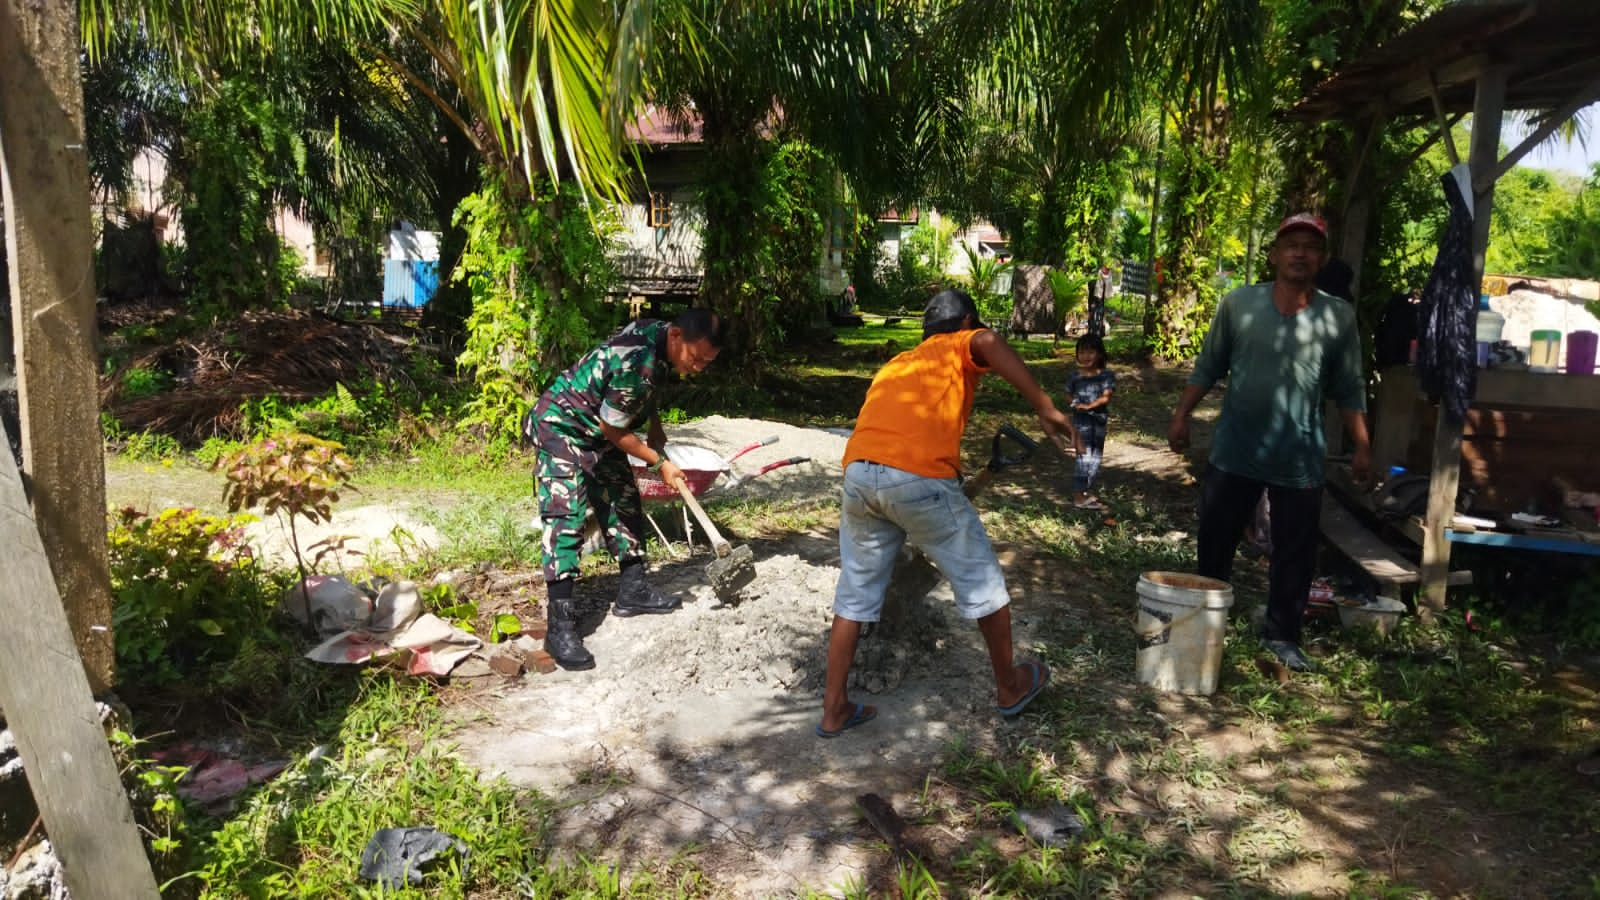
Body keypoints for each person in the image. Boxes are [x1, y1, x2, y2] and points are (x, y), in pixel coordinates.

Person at [817, 288, 1077, 737]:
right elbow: (989, 343)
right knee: (984, 582)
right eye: (973, 327)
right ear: (966, 323)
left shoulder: (898, 362)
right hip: (916, 478)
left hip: (859, 473)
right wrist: (1045, 406)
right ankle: (1010, 686)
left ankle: (833, 708)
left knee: (855, 595)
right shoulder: (961, 342)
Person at [1167, 213, 1370, 674]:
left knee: (1296, 550)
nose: (1300, 252)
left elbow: (1350, 388)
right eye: (1291, 244)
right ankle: (1205, 620)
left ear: (1321, 259)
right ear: (1274, 255)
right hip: (1235, 448)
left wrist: (1362, 445)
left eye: (1310, 246)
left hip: (1298, 454)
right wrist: (1181, 416)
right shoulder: (1239, 304)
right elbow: (1208, 365)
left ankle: (1282, 635)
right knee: (1215, 539)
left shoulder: (1337, 316)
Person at [527, 308, 725, 671]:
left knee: (623, 501)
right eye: (695, 359)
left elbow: (640, 393)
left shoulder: (658, 336)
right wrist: (659, 462)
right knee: (566, 518)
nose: (698, 368)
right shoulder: (641, 362)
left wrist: (654, 426)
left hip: (598, 428)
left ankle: (633, 590)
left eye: (706, 363)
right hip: (563, 426)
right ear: (677, 335)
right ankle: (559, 628)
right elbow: (614, 429)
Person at [1065, 333, 1114, 511]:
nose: (1086, 356)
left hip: (1099, 420)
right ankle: (1078, 495)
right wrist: (1075, 404)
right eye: (1082, 352)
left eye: (1091, 352)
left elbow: (1106, 396)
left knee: (1096, 458)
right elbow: (1068, 394)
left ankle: (1084, 490)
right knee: (1083, 457)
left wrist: (1090, 405)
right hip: (1080, 421)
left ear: (1100, 354)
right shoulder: (1074, 376)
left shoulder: (1106, 375)